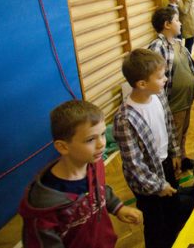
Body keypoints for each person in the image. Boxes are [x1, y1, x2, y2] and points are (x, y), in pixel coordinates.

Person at [19, 101, 143, 248]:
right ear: (63, 147)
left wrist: (117, 207)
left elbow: (100, 189)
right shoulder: (43, 206)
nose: (102, 144)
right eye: (90, 139)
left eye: (102, 134)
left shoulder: (95, 164)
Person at [114, 49, 184, 248]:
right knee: (155, 223)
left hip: (165, 164)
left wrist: (174, 152)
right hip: (147, 181)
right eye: (160, 77)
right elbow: (134, 165)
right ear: (142, 84)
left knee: (172, 210)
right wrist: (158, 186)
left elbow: (168, 124)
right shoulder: (125, 118)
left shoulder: (159, 96)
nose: (165, 79)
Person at [148, 7, 194, 171]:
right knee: (173, 135)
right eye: (177, 20)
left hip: (185, 100)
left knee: (183, 132)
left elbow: (190, 68)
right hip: (173, 103)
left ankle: (182, 158)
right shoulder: (157, 47)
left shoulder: (178, 44)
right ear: (167, 24)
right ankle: (173, 167)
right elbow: (155, 78)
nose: (180, 23)